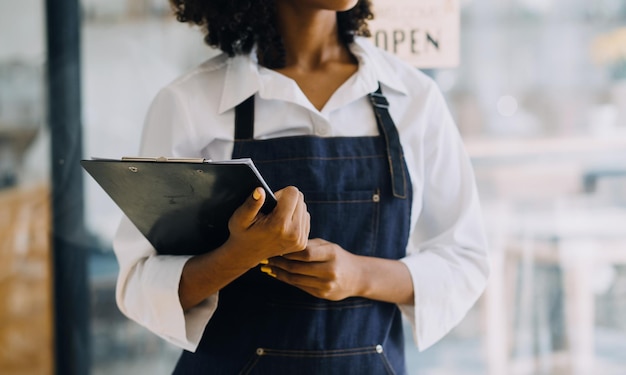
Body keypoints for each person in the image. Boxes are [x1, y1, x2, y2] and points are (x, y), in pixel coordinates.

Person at [113, 1, 490, 373]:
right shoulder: (189, 104)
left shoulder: (413, 98)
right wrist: (238, 255)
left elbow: (464, 261)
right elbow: (141, 283)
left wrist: (360, 275)